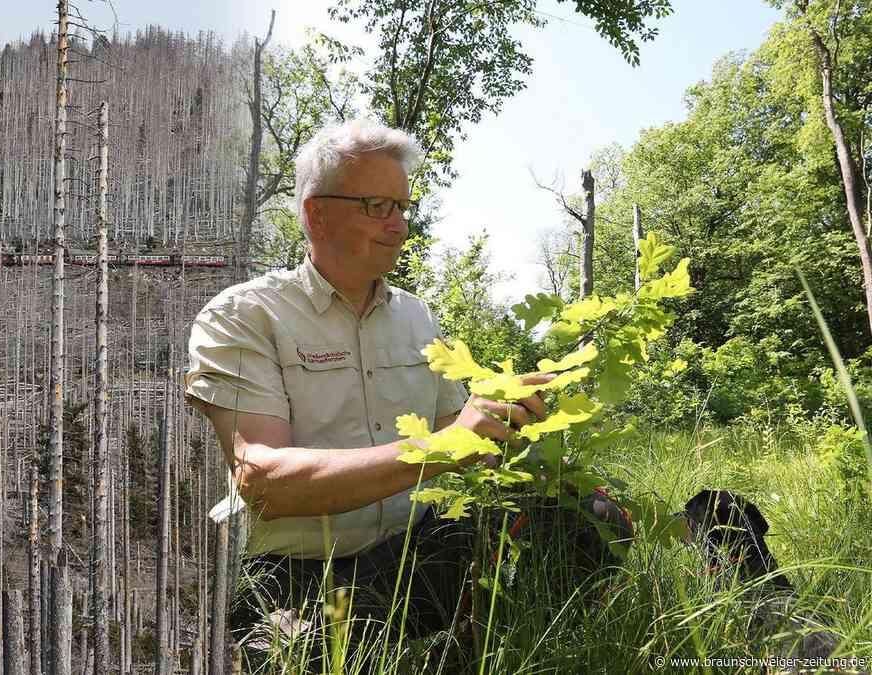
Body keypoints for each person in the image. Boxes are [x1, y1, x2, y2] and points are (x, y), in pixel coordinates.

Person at [184, 119, 631, 672]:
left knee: (590, 517)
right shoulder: (245, 315)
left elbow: (464, 440)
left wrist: (510, 422)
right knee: (295, 656)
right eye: (378, 205)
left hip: (416, 549)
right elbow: (263, 481)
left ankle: (481, 650)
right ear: (315, 212)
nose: (399, 225)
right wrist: (444, 445)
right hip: (297, 572)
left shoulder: (417, 315)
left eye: (402, 206)